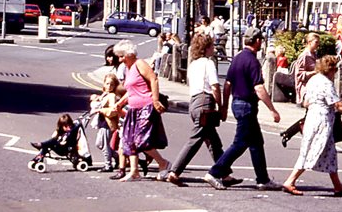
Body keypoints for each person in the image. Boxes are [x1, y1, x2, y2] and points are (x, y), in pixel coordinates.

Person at [204, 27, 282, 191]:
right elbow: (259, 88)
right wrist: (273, 110)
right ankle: (214, 172)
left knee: (256, 143)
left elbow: (227, 84)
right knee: (240, 143)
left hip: (237, 103)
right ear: (258, 41)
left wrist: (224, 107)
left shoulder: (238, 58)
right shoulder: (252, 61)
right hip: (247, 105)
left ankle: (263, 179)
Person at [280, 55, 342, 196]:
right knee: (312, 151)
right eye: (335, 69)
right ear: (330, 70)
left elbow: (305, 102)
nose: (336, 72)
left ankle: (338, 186)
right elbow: (338, 105)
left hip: (312, 118)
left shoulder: (313, 80)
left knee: (330, 153)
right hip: (321, 121)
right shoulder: (326, 83)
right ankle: (290, 181)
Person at [165, 34, 234, 186]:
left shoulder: (193, 64)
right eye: (211, 46)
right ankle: (174, 171)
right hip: (205, 101)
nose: (213, 48)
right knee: (196, 139)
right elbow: (215, 86)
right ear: (206, 48)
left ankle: (225, 174)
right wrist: (222, 106)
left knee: (213, 142)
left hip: (194, 102)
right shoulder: (208, 63)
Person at [112, 39, 171, 182]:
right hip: (133, 108)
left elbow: (153, 79)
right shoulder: (128, 68)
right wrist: (120, 102)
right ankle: (134, 171)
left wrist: (156, 100)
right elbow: (131, 90)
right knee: (129, 140)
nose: (120, 59)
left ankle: (163, 163)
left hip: (146, 106)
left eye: (121, 56)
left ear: (129, 54)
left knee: (140, 141)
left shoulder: (139, 64)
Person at [90, 73, 120, 172]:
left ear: (115, 86)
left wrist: (100, 110)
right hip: (103, 122)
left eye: (111, 85)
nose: (109, 86)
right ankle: (118, 156)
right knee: (99, 144)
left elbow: (113, 110)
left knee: (104, 144)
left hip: (108, 123)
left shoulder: (112, 96)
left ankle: (108, 165)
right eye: (107, 84)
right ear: (104, 84)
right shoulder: (105, 94)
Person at [293, 33, 320, 105]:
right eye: (316, 42)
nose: (318, 44)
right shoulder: (304, 56)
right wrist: (315, 72)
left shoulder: (315, 55)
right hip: (305, 87)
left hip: (315, 86)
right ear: (309, 42)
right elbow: (299, 75)